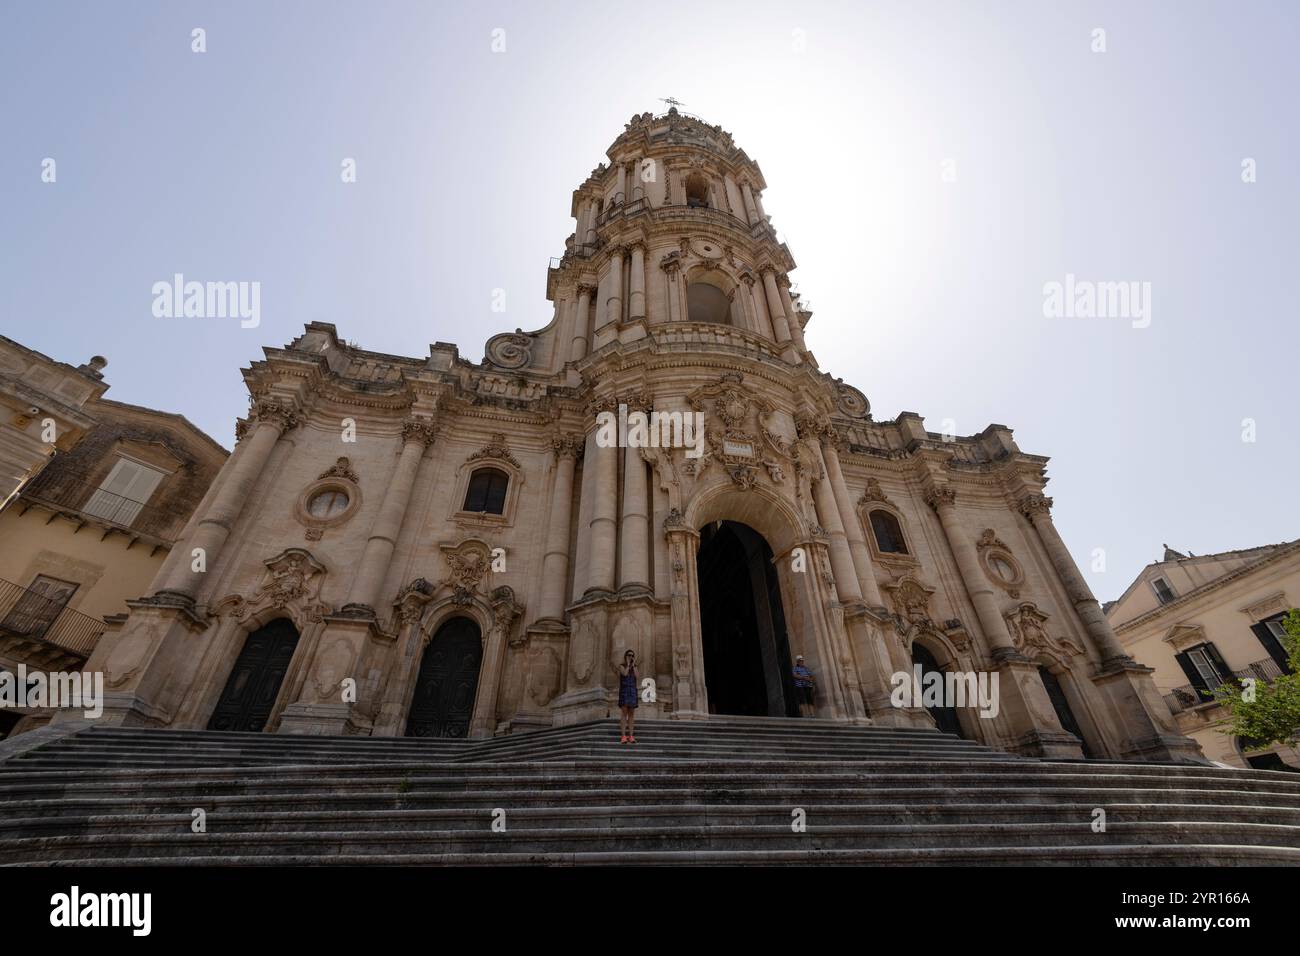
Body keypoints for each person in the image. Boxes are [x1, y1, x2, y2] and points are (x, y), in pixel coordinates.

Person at [613, 648, 639, 743]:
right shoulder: (622, 666)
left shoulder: (634, 667)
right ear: (625, 656)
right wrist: (628, 665)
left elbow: (637, 676)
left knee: (631, 714)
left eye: (632, 655)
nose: (631, 657)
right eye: (629, 655)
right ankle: (623, 736)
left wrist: (633, 665)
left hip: (632, 691)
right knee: (624, 713)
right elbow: (624, 673)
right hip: (624, 690)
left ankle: (631, 736)